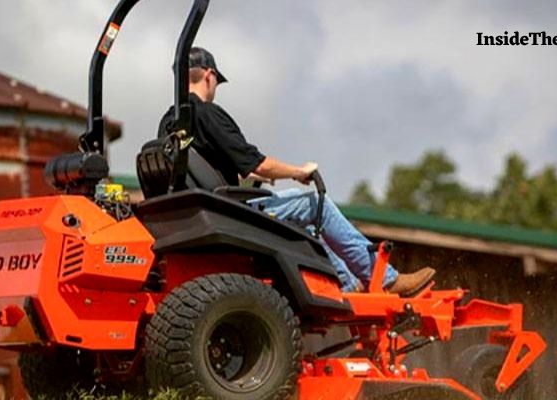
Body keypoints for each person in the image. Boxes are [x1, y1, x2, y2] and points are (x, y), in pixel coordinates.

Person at [158, 47, 435, 295]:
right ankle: (385, 279)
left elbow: (212, 166)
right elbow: (257, 163)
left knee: (290, 201)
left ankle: (348, 283)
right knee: (315, 205)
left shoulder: (169, 122)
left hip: (199, 213)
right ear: (209, 75)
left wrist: (257, 176)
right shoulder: (208, 113)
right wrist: (298, 171)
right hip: (228, 215)